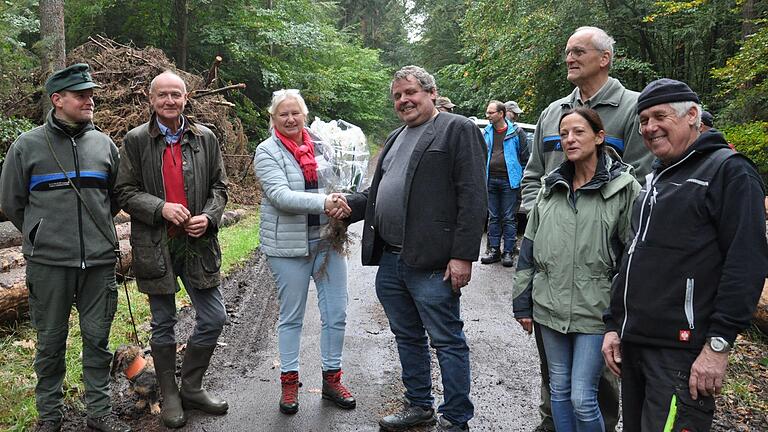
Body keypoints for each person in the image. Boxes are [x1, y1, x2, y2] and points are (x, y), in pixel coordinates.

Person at [602, 79, 768, 431]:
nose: (649, 128)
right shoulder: (654, 177)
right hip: (635, 346)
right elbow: (631, 256)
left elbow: (746, 264)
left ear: (692, 115)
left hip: (682, 355)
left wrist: (718, 346)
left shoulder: (729, 171)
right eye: (643, 120)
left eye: (659, 116)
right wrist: (615, 324)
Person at [519, 26, 651, 432]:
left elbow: (640, 185)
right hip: (556, 271)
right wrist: (544, 211)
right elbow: (533, 177)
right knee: (555, 375)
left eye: (578, 51)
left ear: (604, 57)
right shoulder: (551, 112)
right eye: (567, 52)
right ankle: (552, 425)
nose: (569, 58)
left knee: (596, 382)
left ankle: (602, 424)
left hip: (600, 275)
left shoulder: (631, 108)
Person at [344, 65, 487, 432]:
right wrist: (350, 206)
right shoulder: (396, 137)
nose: (404, 100)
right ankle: (419, 405)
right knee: (407, 336)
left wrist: (463, 255)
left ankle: (456, 418)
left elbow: (473, 196)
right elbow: (379, 193)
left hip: (434, 262)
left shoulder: (457, 129)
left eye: (410, 93)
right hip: (392, 259)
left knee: (447, 340)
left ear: (431, 93)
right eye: (397, 96)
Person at [0, 64, 130, 432]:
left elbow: (114, 198)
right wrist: (42, 233)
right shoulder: (26, 146)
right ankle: (50, 417)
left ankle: (99, 414)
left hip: (100, 262)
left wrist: (94, 231)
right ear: (57, 100)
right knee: (50, 342)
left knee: (97, 339)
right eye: (81, 95)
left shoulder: (104, 145)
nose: (90, 100)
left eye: (91, 94)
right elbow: (12, 202)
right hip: (49, 263)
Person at [513, 107, 640, 432]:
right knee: (559, 389)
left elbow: (634, 256)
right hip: (548, 306)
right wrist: (522, 302)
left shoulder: (624, 190)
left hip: (596, 311)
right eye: (564, 133)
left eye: (578, 132)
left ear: (599, 137)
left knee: (583, 397)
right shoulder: (549, 188)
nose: (569, 139)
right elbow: (528, 250)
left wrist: (625, 314)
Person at [115, 71, 229, 429]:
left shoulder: (205, 138)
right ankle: (170, 394)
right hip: (155, 246)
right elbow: (123, 192)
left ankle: (192, 387)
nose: (169, 101)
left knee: (214, 318)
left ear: (185, 98)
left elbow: (220, 187)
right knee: (164, 325)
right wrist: (160, 208)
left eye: (176, 95)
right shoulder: (135, 141)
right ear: (151, 100)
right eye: (162, 95)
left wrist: (209, 218)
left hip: (197, 244)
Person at [253, 89, 356, 415]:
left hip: (328, 242)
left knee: (336, 313)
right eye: (282, 113)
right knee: (292, 317)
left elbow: (336, 182)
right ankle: (289, 384)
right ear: (273, 118)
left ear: (305, 115)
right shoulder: (266, 152)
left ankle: (332, 379)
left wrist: (341, 198)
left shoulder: (323, 146)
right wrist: (324, 202)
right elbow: (281, 196)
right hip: (288, 248)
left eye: (295, 112)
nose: (290, 118)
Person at [481, 100, 527, 267]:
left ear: (500, 114)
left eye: (490, 113)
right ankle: (494, 250)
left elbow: (524, 158)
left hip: (509, 182)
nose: (487, 116)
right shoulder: (486, 132)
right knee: (493, 217)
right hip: (490, 180)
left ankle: (508, 252)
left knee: (508, 217)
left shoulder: (517, 132)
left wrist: (518, 176)